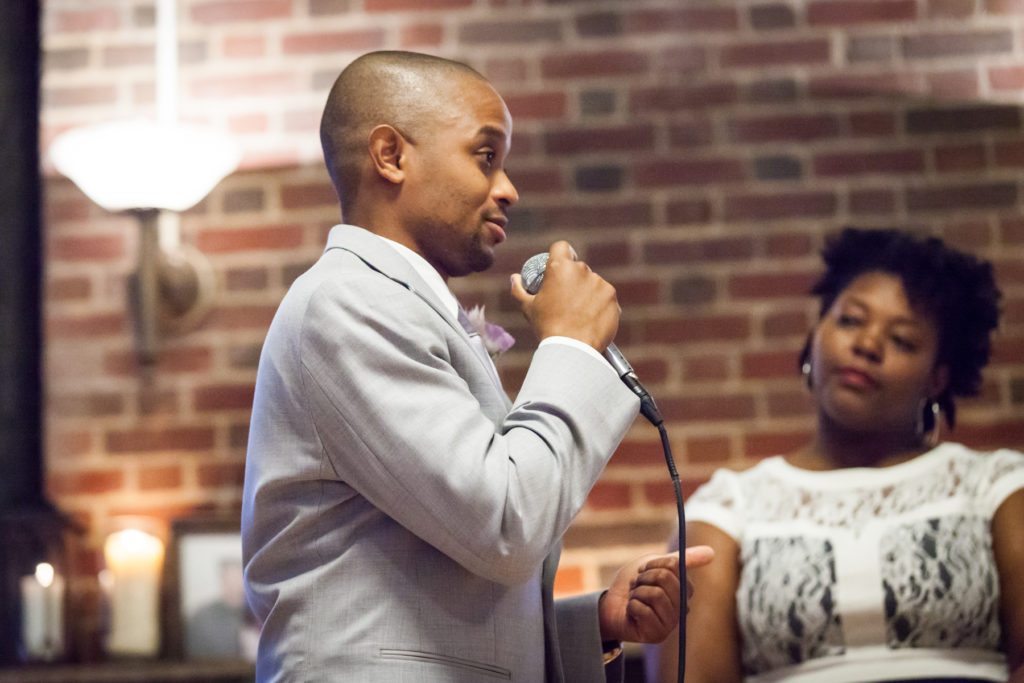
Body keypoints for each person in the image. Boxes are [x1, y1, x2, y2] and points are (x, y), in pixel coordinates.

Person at [241, 50, 713, 682]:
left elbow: (444, 577)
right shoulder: (347, 302)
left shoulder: (396, 305)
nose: (509, 188)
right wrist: (569, 345)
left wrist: (595, 620)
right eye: (485, 156)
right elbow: (505, 524)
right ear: (391, 155)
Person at [648, 227, 1024, 683]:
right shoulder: (729, 508)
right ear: (815, 338)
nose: (867, 345)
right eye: (849, 320)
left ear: (938, 379)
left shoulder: (999, 487)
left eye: (902, 340)